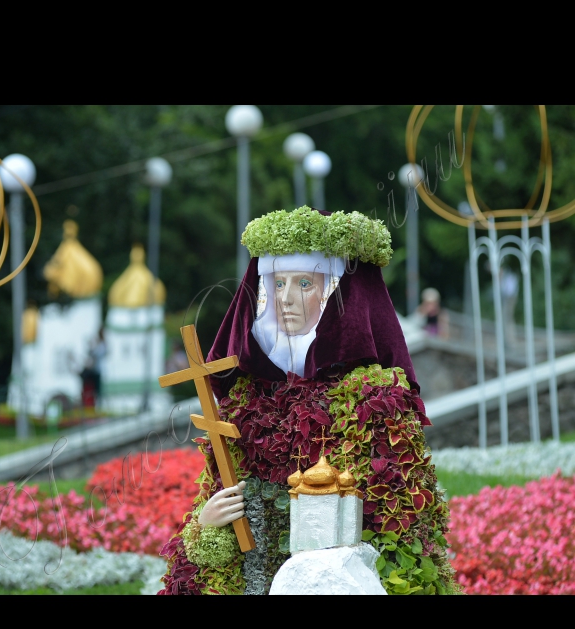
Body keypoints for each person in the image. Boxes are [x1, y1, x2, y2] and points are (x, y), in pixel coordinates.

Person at [158, 207, 458, 595]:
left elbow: (402, 534)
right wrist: (208, 524)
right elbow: (220, 517)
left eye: (303, 283)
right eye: (277, 284)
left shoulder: (372, 400)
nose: (286, 299)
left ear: (336, 294)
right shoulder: (247, 400)